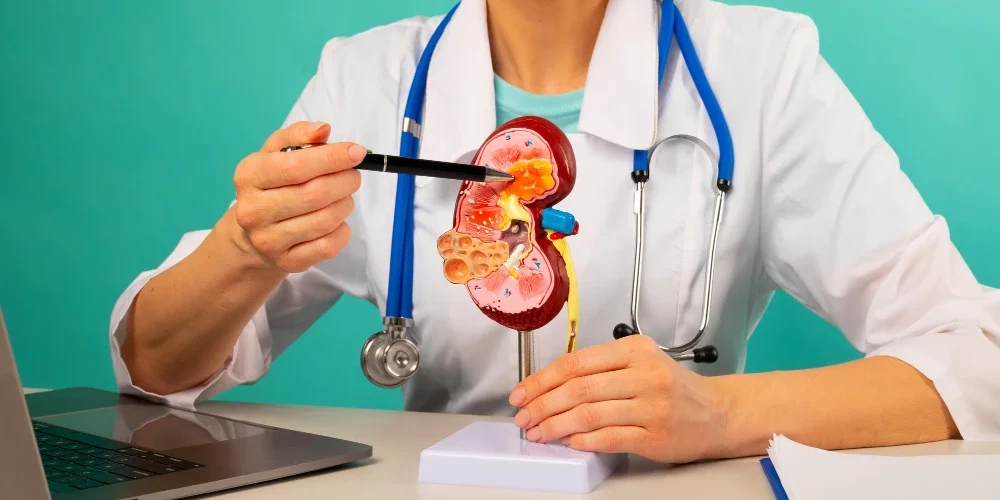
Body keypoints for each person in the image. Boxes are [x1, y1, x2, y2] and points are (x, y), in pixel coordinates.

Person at [110, 0, 1000, 464]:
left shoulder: (758, 72)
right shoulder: (370, 79)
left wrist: (722, 413)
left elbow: (981, 355)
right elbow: (152, 369)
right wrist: (242, 248)